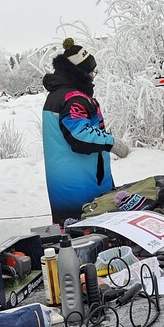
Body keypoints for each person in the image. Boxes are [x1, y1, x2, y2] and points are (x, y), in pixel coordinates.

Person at [42, 38, 118, 224]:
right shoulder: (73, 98)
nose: (93, 76)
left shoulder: (57, 95)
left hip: (66, 184)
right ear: (79, 73)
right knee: (86, 233)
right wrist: (112, 142)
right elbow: (80, 137)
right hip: (81, 188)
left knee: (70, 232)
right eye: (90, 72)